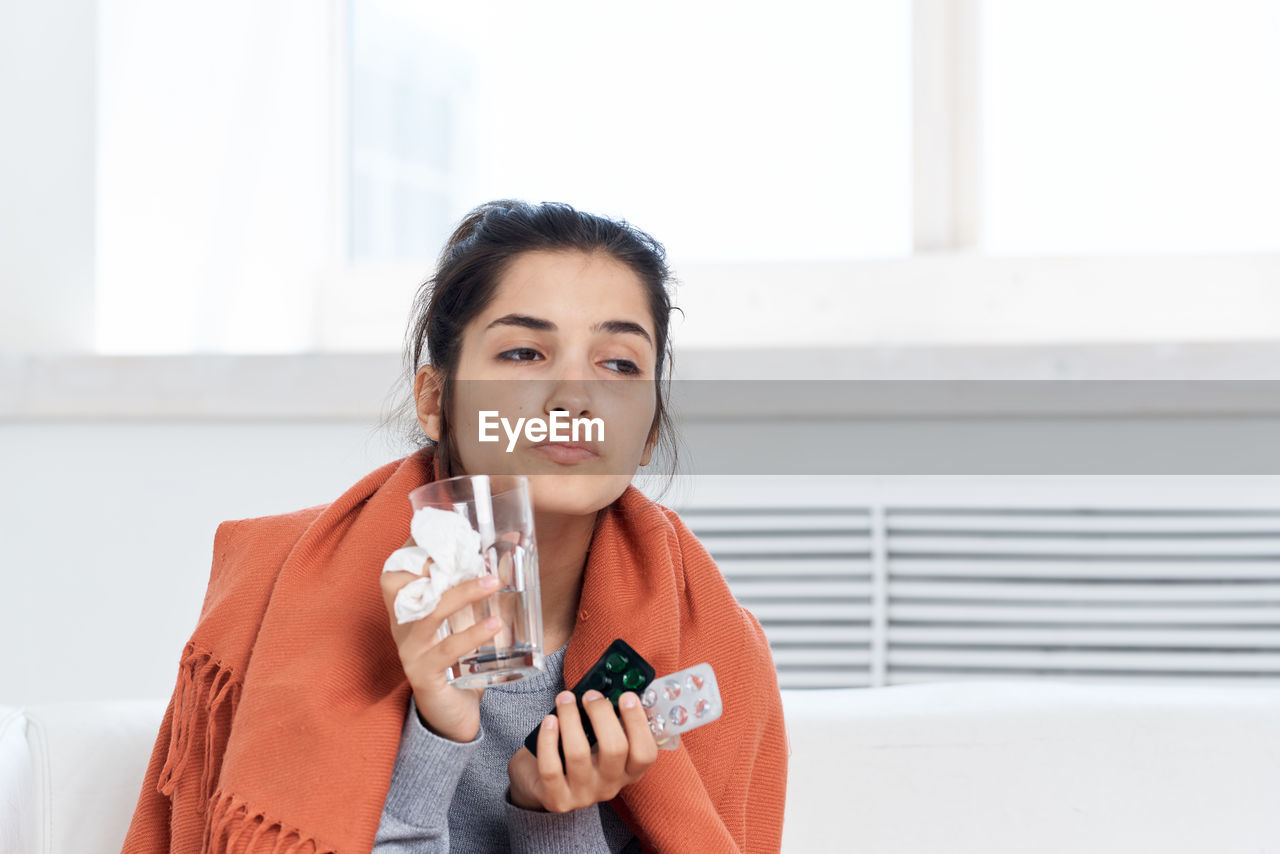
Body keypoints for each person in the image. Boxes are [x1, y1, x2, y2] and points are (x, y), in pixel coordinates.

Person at [122, 200, 788, 854]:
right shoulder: (280, 597)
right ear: (436, 401)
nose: (573, 398)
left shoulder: (714, 653)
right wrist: (439, 734)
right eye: (525, 353)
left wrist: (552, 813)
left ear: (648, 433)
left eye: (619, 365)